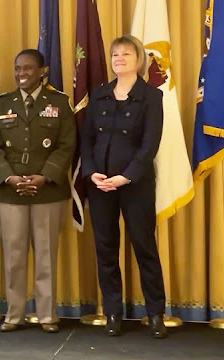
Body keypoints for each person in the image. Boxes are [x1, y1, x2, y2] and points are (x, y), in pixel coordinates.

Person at [81, 35, 167, 339]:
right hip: (100, 184)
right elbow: (88, 139)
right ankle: (113, 313)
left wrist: (126, 176)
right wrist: (91, 173)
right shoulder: (100, 94)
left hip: (135, 184)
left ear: (138, 59)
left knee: (144, 247)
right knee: (106, 249)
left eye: (126, 54)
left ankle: (155, 313)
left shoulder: (151, 96)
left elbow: (149, 146)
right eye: (115, 54)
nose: (119, 58)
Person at [0, 49, 76, 334]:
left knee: (46, 253)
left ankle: (47, 315)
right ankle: (14, 314)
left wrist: (44, 176)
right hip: (10, 191)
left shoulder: (59, 103)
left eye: (28, 68)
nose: (22, 73)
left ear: (42, 71)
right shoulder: (2, 105)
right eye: (18, 68)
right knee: (13, 255)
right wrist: (10, 178)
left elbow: (66, 145)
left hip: (47, 190)